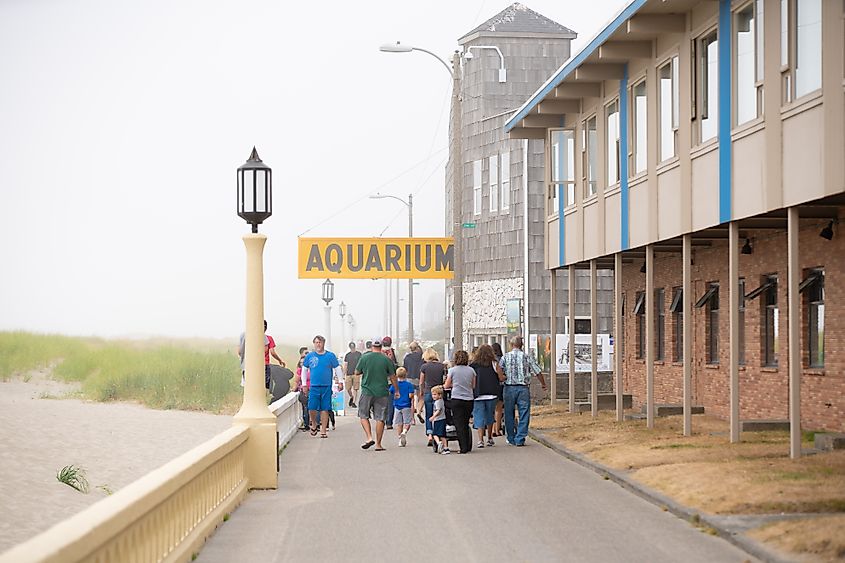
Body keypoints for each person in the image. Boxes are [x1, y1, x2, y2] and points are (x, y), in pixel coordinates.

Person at [497, 335, 546, 447]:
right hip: (523, 388)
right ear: (521, 345)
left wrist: (501, 377)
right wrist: (543, 384)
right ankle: (520, 437)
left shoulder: (505, 357)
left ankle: (511, 437)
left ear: (511, 344)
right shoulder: (526, 357)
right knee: (524, 413)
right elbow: (537, 371)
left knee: (509, 413)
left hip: (509, 387)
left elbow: (499, 368)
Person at [355, 338, 398, 451]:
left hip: (367, 391)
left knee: (363, 415)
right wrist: (397, 390)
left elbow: (357, 372)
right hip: (382, 391)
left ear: (372, 346)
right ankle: (378, 444)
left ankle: (369, 437)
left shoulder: (364, 357)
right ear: (381, 346)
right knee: (380, 418)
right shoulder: (387, 360)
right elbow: (393, 376)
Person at [302, 335, 339, 438]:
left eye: (320, 342)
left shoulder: (330, 356)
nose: (318, 344)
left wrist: (340, 381)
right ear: (314, 344)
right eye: (316, 342)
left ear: (323, 343)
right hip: (314, 386)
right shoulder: (310, 356)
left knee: (325, 408)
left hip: (326, 385)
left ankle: (323, 430)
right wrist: (304, 384)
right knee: (312, 407)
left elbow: (337, 368)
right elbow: (304, 370)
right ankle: (314, 423)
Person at [444, 350, 476, 454]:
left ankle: (463, 448)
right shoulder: (471, 370)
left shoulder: (452, 370)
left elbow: (447, 385)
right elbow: (473, 386)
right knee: (465, 422)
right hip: (469, 399)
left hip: (457, 398)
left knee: (459, 423)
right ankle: (467, 445)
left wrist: (454, 385)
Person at [470, 344, 499, 448]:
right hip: (492, 393)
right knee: (489, 415)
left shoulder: (473, 365)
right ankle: (490, 438)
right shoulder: (494, 363)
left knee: (479, 416)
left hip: (478, 394)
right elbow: (500, 377)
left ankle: (480, 440)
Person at [419, 347, 447, 447]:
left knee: (429, 415)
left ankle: (430, 435)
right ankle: (439, 434)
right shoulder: (442, 366)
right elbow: (445, 379)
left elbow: (421, 381)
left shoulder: (424, 367)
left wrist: (421, 392)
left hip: (428, 392)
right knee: (439, 414)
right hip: (439, 392)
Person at [388, 367, 415, 447]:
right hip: (406, 405)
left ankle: (400, 439)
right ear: (406, 374)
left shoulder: (395, 384)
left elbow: (390, 392)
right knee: (407, 422)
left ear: (396, 375)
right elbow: (410, 395)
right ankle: (405, 431)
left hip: (397, 406)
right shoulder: (409, 385)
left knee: (399, 424)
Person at [402, 341, 424, 421]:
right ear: (417, 348)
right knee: (421, 397)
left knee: (411, 399)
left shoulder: (407, 357)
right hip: (419, 378)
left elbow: (405, 369)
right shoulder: (422, 357)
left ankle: (412, 419)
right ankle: (418, 411)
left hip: (409, 378)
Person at [382, 335, 398, 430]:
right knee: (390, 402)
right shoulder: (393, 352)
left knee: (380, 402)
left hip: (381, 380)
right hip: (391, 379)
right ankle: (389, 422)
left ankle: (381, 420)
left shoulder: (379, 353)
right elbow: (396, 365)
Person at [263, 320, 285, 389]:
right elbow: (272, 352)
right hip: (265, 364)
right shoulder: (269, 338)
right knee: (266, 386)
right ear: (265, 328)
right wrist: (280, 360)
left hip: (253, 366)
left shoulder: (252, 338)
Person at [429, 385, 449, 455]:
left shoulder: (438, 402)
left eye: (435, 394)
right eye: (432, 394)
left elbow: (438, 410)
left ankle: (438, 443)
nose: (433, 396)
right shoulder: (441, 401)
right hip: (443, 419)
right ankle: (446, 448)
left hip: (438, 420)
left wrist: (433, 417)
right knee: (443, 435)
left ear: (440, 395)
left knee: (435, 434)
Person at [294, 346, 310, 431]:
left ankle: (308, 424)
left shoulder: (301, 370)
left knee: (307, 407)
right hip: (309, 389)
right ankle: (314, 424)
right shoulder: (311, 368)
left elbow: (296, 381)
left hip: (307, 390)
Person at [491, 342, 505, 437]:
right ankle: (497, 429)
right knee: (499, 409)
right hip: (500, 385)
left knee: (491, 409)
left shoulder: (488, 361)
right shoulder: (501, 360)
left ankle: (491, 429)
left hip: (491, 386)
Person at [343, 341, 362, 408]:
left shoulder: (359, 354)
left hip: (356, 373)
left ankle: (353, 402)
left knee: (355, 388)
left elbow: (361, 363)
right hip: (348, 373)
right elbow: (345, 365)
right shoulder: (347, 355)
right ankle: (351, 396)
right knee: (348, 388)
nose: (352, 348)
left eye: (353, 347)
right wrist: (344, 374)